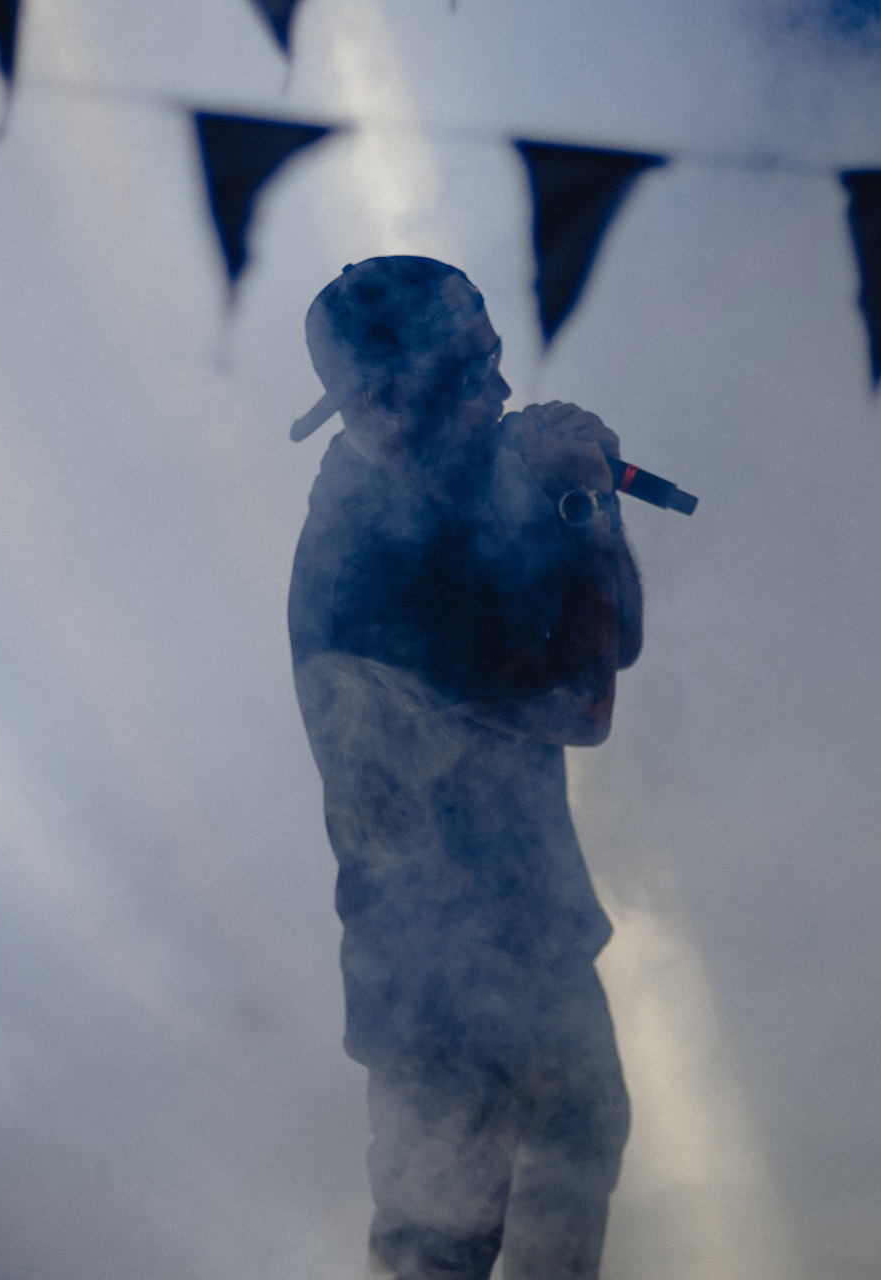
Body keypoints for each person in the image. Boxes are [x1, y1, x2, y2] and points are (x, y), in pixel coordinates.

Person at [286, 256, 642, 1280]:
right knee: (442, 1242)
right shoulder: (362, 568)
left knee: (578, 1165)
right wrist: (572, 496)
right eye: (471, 373)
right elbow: (580, 705)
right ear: (385, 401)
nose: (503, 391)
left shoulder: (461, 487)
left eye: (494, 359)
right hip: (435, 993)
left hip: (538, 940)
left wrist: (591, 503)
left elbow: (619, 641)